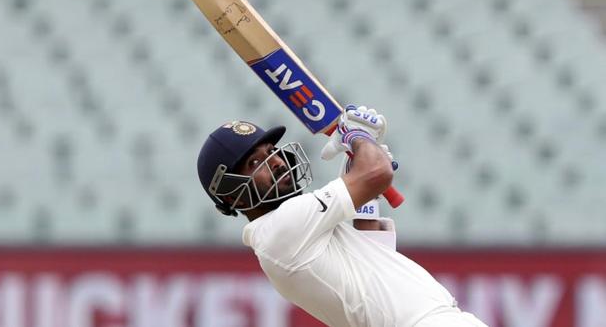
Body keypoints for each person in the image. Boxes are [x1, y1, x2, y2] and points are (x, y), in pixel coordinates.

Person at [197, 105, 487, 327]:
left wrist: (364, 181)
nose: (275, 161)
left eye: (272, 151)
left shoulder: (293, 230)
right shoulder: (279, 229)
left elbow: (374, 250)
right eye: (255, 161)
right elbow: (378, 173)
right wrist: (358, 138)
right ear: (231, 194)